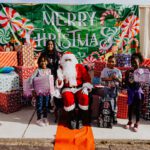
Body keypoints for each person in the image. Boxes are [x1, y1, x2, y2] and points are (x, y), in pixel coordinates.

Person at [56, 52, 93, 129]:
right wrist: (59, 80)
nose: (68, 61)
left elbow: (87, 78)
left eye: (70, 59)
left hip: (79, 87)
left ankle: (79, 119)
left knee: (84, 97)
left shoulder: (80, 67)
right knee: (67, 97)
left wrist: (86, 87)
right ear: (63, 60)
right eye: (66, 60)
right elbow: (59, 82)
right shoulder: (61, 68)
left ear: (73, 59)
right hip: (67, 88)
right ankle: (72, 118)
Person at [91, 55, 122, 124]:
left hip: (115, 89)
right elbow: (101, 79)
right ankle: (103, 115)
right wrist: (109, 79)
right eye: (110, 61)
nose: (111, 63)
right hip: (106, 88)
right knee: (106, 100)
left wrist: (116, 78)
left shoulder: (118, 71)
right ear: (107, 62)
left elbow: (121, 80)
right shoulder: (105, 70)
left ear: (115, 62)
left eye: (113, 62)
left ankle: (114, 115)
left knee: (114, 102)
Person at [29, 56, 52, 127]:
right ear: (39, 62)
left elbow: (50, 80)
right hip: (39, 92)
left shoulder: (49, 70)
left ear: (47, 62)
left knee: (46, 104)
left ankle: (45, 117)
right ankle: (39, 119)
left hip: (47, 92)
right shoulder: (38, 70)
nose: (43, 62)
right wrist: (32, 89)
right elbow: (31, 79)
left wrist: (51, 90)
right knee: (40, 104)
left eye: (45, 61)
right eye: (41, 61)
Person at [124, 52, 144, 132]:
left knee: (138, 107)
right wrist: (128, 79)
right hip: (131, 91)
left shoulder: (142, 71)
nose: (134, 64)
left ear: (139, 62)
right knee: (130, 106)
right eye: (132, 62)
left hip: (138, 91)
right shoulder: (129, 72)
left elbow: (142, 82)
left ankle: (137, 122)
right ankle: (129, 121)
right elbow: (127, 82)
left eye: (135, 62)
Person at [39, 40, 60, 112]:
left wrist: (57, 76)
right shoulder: (44, 54)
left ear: (53, 45)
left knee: (51, 91)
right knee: (44, 91)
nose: (50, 46)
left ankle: (50, 106)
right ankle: (44, 106)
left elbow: (58, 66)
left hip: (53, 76)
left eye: (51, 44)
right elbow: (39, 63)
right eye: (48, 44)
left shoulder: (56, 54)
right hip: (45, 75)